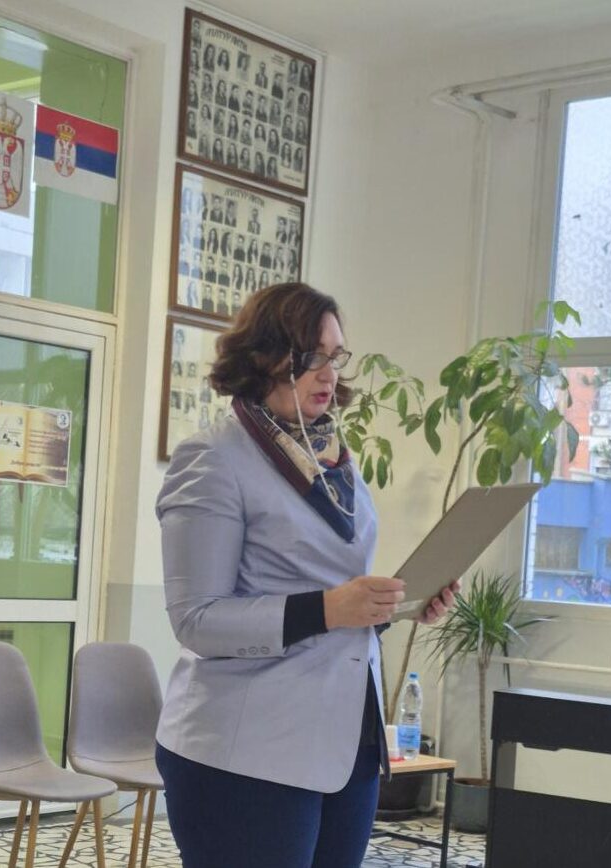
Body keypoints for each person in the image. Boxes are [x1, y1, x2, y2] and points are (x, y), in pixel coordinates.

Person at [155, 283, 458, 868]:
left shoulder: (334, 457)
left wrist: (398, 606)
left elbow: (335, 595)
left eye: (335, 356)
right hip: (245, 753)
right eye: (311, 356)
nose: (328, 373)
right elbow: (196, 621)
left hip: (345, 744)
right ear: (265, 356)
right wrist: (329, 608)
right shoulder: (214, 458)